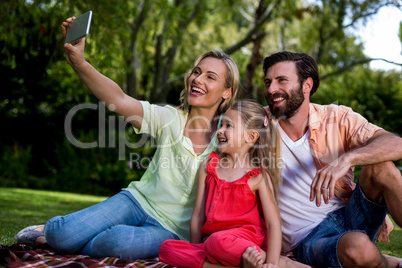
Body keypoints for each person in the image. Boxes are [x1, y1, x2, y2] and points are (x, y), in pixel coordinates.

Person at [14, 17, 240, 261]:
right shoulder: (170, 118)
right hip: (135, 202)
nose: (198, 80)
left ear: (227, 92)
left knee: (118, 242)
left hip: (171, 230)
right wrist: (79, 62)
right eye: (197, 72)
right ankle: (50, 236)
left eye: (210, 76)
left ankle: (56, 243)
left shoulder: (228, 137)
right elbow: (119, 100)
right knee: (61, 233)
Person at [244, 51, 402, 268]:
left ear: (306, 85)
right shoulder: (256, 126)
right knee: (358, 248)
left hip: (349, 215)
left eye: (281, 80)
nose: (271, 89)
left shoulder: (337, 117)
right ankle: (388, 263)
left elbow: (395, 144)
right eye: (268, 82)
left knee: (381, 166)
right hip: (308, 239)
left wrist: (346, 159)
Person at [160, 100, 295, 268]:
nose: (220, 131)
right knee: (166, 249)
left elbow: (273, 223)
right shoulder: (208, 167)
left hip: (243, 244)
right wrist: (196, 249)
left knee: (217, 242)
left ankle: (279, 263)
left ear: (251, 136)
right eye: (221, 124)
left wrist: (272, 263)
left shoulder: (257, 176)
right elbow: (197, 216)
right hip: (213, 247)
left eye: (228, 126)